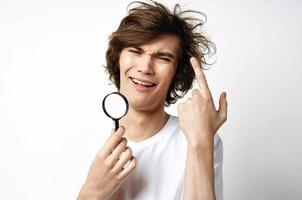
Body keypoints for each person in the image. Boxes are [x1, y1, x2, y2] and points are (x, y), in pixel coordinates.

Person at [74, 1, 228, 200]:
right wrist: (92, 192)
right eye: (136, 51)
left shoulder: (200, 139)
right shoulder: (78, 147)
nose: (145, 67)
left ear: (177, 72)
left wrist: (200, 142)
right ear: (118, 57)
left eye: (163, 58)